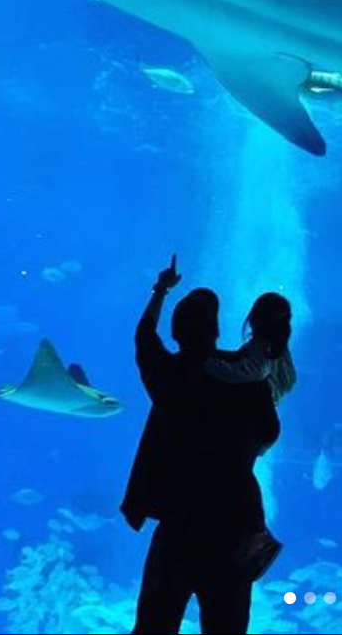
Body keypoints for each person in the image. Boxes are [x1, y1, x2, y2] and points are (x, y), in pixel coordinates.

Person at [122, 255, 281, 635]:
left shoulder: (172, 376)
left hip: (180, 520)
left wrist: (160, 290)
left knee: (154, 626)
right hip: (234, 524)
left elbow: (144, 338)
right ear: (215, 330)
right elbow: (268, 431)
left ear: (178, 332)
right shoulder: (245, 378)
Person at [205, 292, 297, 405]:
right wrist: (214, 354)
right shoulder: (275, 348)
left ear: (257, 318)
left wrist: (207, 364)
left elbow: (252, 372)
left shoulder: (264, 349)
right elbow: (238, 357)